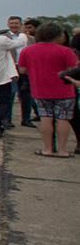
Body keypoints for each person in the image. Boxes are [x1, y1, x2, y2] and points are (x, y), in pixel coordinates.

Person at [17, 22, 78, 157]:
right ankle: (62, 150)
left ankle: (47, 148)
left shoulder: (28, 50)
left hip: (40, 89)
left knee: (45, 118)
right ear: (58, 35)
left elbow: (22, 69)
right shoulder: (66, 51)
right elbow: (73, 70)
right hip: (64, 89)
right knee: (63, 119)